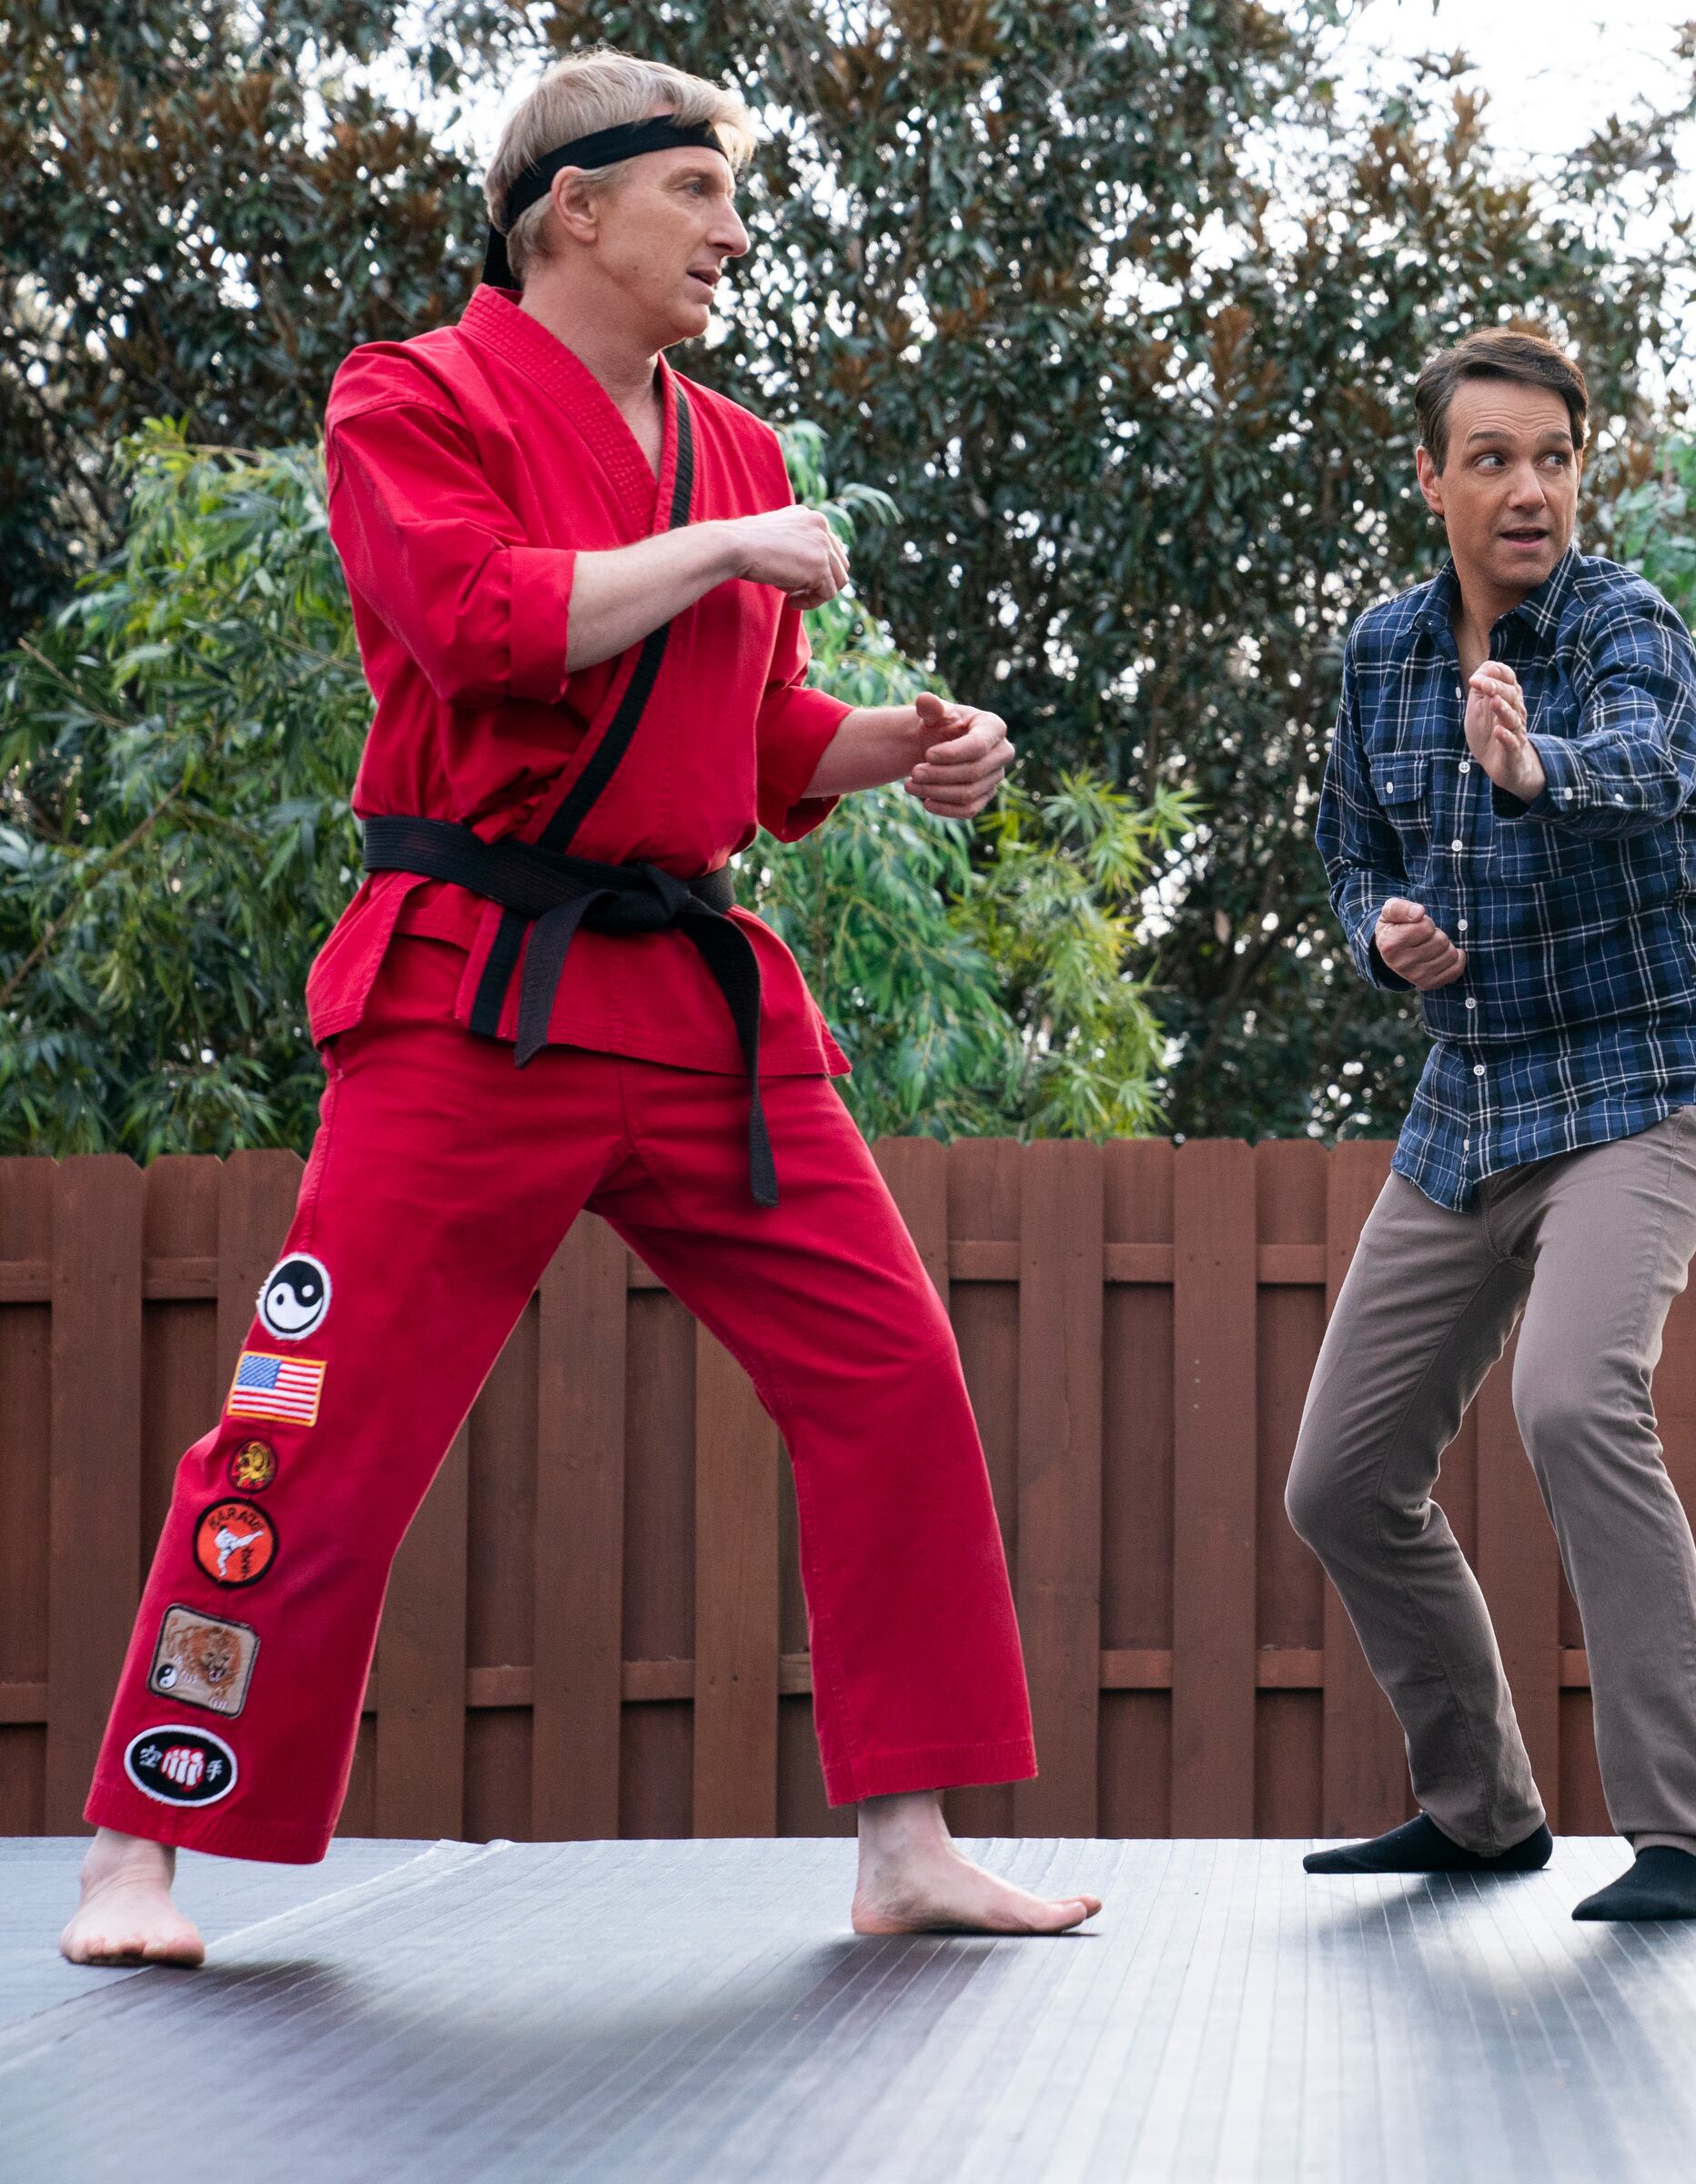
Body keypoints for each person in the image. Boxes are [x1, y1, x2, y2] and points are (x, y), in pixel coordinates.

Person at [58, 51, 1095, 1967]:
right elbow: (477, 621)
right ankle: (143, 1839)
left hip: (698, 1003)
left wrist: (895, 747)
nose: (732, 229)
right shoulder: (411, 396)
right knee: (315, 1414)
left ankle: (908, 1835)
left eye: (732, 194)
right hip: (471, 993)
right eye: (698, 191)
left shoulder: (744, 456)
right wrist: (718, 552)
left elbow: (736, 725)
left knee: (893, 1374)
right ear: (576, 209)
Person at [1287, 329, 1696, 1922]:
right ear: (1432, 479)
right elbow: (1350, 851)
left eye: (1553, 457)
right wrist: (1383, 936)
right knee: (1339, 1479)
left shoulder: (1627, 625)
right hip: (1470, 1095)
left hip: (1639, 1083)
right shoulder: (1384, 654)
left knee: (1570, 1397)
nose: (1530, 488)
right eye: (1491, 459)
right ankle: (1481, 1807)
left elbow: (1650, 764)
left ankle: (1683, 1835)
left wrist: (1535, 763)